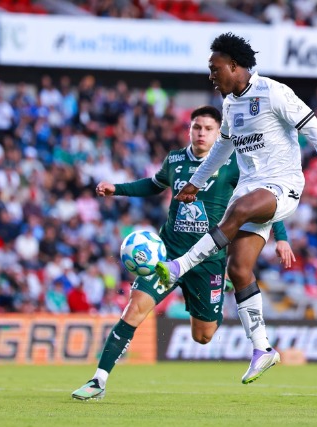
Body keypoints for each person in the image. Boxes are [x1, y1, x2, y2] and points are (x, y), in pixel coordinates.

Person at [155, 33, 317, 384]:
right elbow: (222, 150)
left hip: (283, 185)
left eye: (215, 69)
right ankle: (263, 348)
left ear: (234, 66)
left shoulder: (273, 92)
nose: (211, 76)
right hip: (251, 189)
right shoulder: (230, 105)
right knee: (239, 269)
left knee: (239, 210)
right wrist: (196, 182)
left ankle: (179, 266)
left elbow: (315, 130)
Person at [71, 106, 294, 400]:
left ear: (220, 133)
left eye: (208, 129)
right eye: (196, 127)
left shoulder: (235, 165)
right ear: (189, 130)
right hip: (168, 255)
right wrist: (118, 189)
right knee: (134, 308)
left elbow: (263, 200)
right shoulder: (176, 159)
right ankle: (98, 381)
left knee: (202, 336)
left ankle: (206, 291)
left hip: (208, 261)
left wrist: (281, 237)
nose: (201, 133)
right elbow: (153, 184)